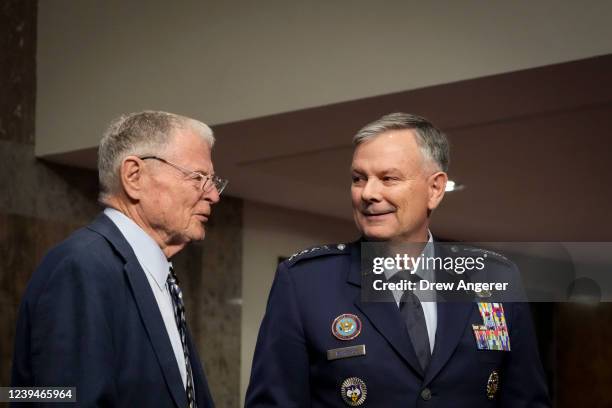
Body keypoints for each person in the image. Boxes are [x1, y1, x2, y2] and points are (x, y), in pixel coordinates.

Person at [245, 113, 550, 407]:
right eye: (358, 178)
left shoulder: (493, 277)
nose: (368, 193)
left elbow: (525, 399)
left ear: (435, 188)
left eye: (388, 178)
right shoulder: (304, 283)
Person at [11, 111, 227, 407]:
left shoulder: (157, 275)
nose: (213, 194)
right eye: (199, 177)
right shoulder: (81, 267)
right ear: (134, 176)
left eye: (212, 180)